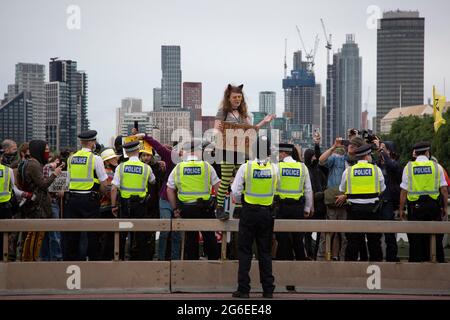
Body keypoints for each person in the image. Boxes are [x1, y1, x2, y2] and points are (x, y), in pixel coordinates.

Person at [214, 84, 275, 220]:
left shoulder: (243, 115)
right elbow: (216, 132)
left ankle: (242, 207)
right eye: (235, 97)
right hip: (227, 151)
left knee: (244, 179)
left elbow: (251, 131)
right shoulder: (222, 113)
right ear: (228, 98)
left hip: (241, 151)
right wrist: (218, 131)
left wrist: (264, 121)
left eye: (239, 97)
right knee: (225, 180)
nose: (237, 100)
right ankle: (219, 208)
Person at [231, 136, 277, 299]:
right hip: (266, 213)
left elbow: (235, 190)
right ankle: (268, 290)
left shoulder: (246, 167)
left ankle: (243, 290)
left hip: (248, 212)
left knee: (244, 251)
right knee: (265, 252)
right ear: (269, 151)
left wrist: (240, 199)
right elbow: (276, 188)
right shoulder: (274, 168)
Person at [166, 139, 221, 260]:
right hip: (205, 209)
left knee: (190, 239)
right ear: (197, 151)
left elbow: (169, 189)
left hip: (187, 210)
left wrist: (175, 209)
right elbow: (218, 186)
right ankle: (214, 266)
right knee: (210, 237)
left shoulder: (179, 168)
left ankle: (192, 267)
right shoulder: (206, 166)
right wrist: (218, 204)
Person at [399, 142, 448, 262]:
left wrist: (401, 209)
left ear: (415, 153)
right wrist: (445, 207)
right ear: (427, 152)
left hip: (415, 208)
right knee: (435, 237)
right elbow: (444, 189)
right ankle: (437, 265)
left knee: (415, 238)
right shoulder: (437, 167)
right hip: (433, 207)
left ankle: (415, 267)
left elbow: (404, 191)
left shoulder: (409, 167)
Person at [63, 130, 108, 261]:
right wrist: (101, 193)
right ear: (92, 143)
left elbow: (67, 181)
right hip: (89, 200)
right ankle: (93, 263)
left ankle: (71, 263)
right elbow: (104, 183)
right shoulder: (96, 159)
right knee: (92, 234)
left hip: (72, 200)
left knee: (72, 235)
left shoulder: (71, 158)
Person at [317, 136, 364, 261]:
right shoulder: (337, 159)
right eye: (350, 144)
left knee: (346, 235)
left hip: (349, 203)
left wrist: (346, 196)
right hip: (333, 201)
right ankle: (321, 259)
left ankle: (344, 259)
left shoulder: (360, 165)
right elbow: (321, 161)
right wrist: (333, 147)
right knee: (327, 233)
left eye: (355, 145)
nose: (351, 146)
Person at [17, 140, 64, 261]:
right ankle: (31, 262)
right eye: (46, 150)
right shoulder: (34, 165)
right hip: (37, 207)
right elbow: (43, 184)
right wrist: (55, 174)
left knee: (40, 238)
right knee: (35, 238)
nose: (47, 153)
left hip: (37, 206)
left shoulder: (32, 163)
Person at [339, 144, 385, 261]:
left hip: (354, 211)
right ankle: (376, 268)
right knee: (374, 242)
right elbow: (382, 188)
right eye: (370, 155)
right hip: (372, 211)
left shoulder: (348, 171)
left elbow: (342, 189)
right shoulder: (376, 170)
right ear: (366, 156)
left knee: (353, 242)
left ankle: (351, 270)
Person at [111, 141, 156, 260]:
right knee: (141, 233)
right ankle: (142, 261)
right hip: (141, 206)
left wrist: (113, 206)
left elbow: (114, 188)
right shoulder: (146, 168)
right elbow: (153, 181)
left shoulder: (121, 167)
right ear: (138, 151)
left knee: (123, 233)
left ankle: (119, 259)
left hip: (125, 206)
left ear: (126, 152)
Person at [376, 140, 402, 261]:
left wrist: (384, 153)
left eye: (384, 148)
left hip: (388, 202)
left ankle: (391, 257)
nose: (381, 151)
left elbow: (392, 166)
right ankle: (377, 257)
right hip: (377, 202)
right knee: (375, 233)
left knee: (389, 233)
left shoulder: (394, 164)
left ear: (390, 151)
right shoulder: (377, 165)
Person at [98, 148, 120, 260]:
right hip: (108, 208)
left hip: (106, 207)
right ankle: (106, 259)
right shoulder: (108, 173)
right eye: (112, 158)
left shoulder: (113, 171)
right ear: (106, 162)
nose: (116, 159)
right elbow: (108, 190)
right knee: (108, 236)